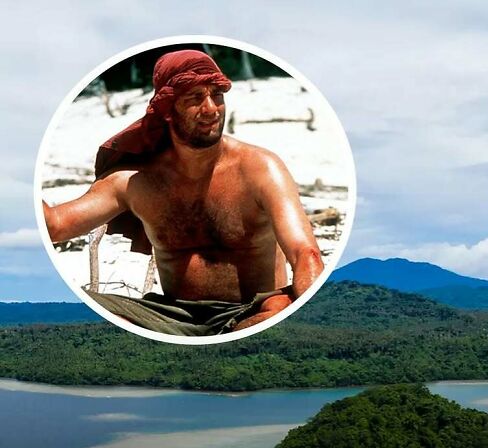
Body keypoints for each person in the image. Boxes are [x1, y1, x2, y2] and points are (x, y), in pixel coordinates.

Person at [42, 49, 324, 336]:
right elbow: (54, 225)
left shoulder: (261, 169)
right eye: (194, 98)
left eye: (217, 95)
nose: (211, 109)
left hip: (252, 311)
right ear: (167, 110)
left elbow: (306, 253)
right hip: (173, 315)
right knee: (91, 310)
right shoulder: (137, 182)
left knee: (278, 310)